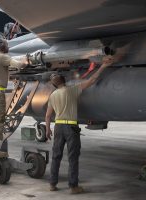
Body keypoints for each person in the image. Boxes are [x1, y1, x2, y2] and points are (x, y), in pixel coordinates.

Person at [45, 57, 113, 194]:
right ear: (64, 80)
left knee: (56, 157)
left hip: (58, 127)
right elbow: (92, 80)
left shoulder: (52, 95)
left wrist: (47, 129)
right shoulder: (72, 90)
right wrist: (104, 66)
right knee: (73, 158)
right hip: (71, 128)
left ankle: (52, 184)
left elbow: (47, 115)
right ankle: (73, 187)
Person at [0, 38, 27, 159]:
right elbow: (19, 65)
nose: (8, 47)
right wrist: (25, 60)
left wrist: (10, 78)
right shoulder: (3, 57)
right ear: (3, 46)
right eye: (7, 45)